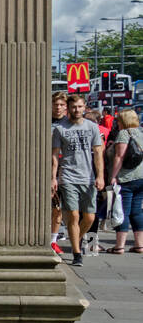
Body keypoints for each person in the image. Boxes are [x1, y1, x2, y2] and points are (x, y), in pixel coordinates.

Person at [52, 94, 104, 267]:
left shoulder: (92, 127)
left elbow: (98, 153)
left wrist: (100, 176)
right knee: (73, 215)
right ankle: (76, 253)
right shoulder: (60, 128)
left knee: (89, 217)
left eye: (80, 107)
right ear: (69, 108)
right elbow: (54, 156)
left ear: (84, 107)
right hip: (68, 176)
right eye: (74, 107)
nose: (77, 110)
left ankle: (76, 238)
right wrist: (54, 177)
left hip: (88, 177)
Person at [107, 108, 143, 254]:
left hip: (126, 178)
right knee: (136, 212)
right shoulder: (141, 132)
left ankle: (119, 246)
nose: (117, 123)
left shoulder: (124, 133)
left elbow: (119, 156)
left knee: (121, 211)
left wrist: (113, 176)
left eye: (119, 120)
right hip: (141, 177)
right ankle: (140, 245)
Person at [51, 93, 68, 248]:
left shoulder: (69, 123)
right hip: (45, 166)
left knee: (58, 207)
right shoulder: (44, 121)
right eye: (56, 104)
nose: (58, 108)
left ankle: (53, 239)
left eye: (62, 105)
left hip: (64, 167)